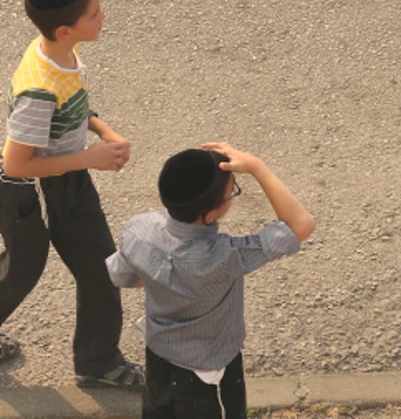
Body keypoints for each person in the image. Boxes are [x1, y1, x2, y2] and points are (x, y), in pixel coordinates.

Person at [0, 0, 143, 387]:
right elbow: (15, 165)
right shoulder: (37, 91)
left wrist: (103, 131)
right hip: (32, 193)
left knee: (101, 269)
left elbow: (74, 107)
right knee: (22, 271)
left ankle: (98, 362)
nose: (103, 18)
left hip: (69, 177)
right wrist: (91, 158)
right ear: (65, 30)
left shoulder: (59, 54)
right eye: (95, 14)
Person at [108, 142, 316, 419]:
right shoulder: (223, 257)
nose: (232, 196)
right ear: (210, 215)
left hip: (159, 357)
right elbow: (301, 224)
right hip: (208, 374)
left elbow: (122, 275)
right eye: (232, 193)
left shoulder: (139, 229)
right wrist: (256, 166)